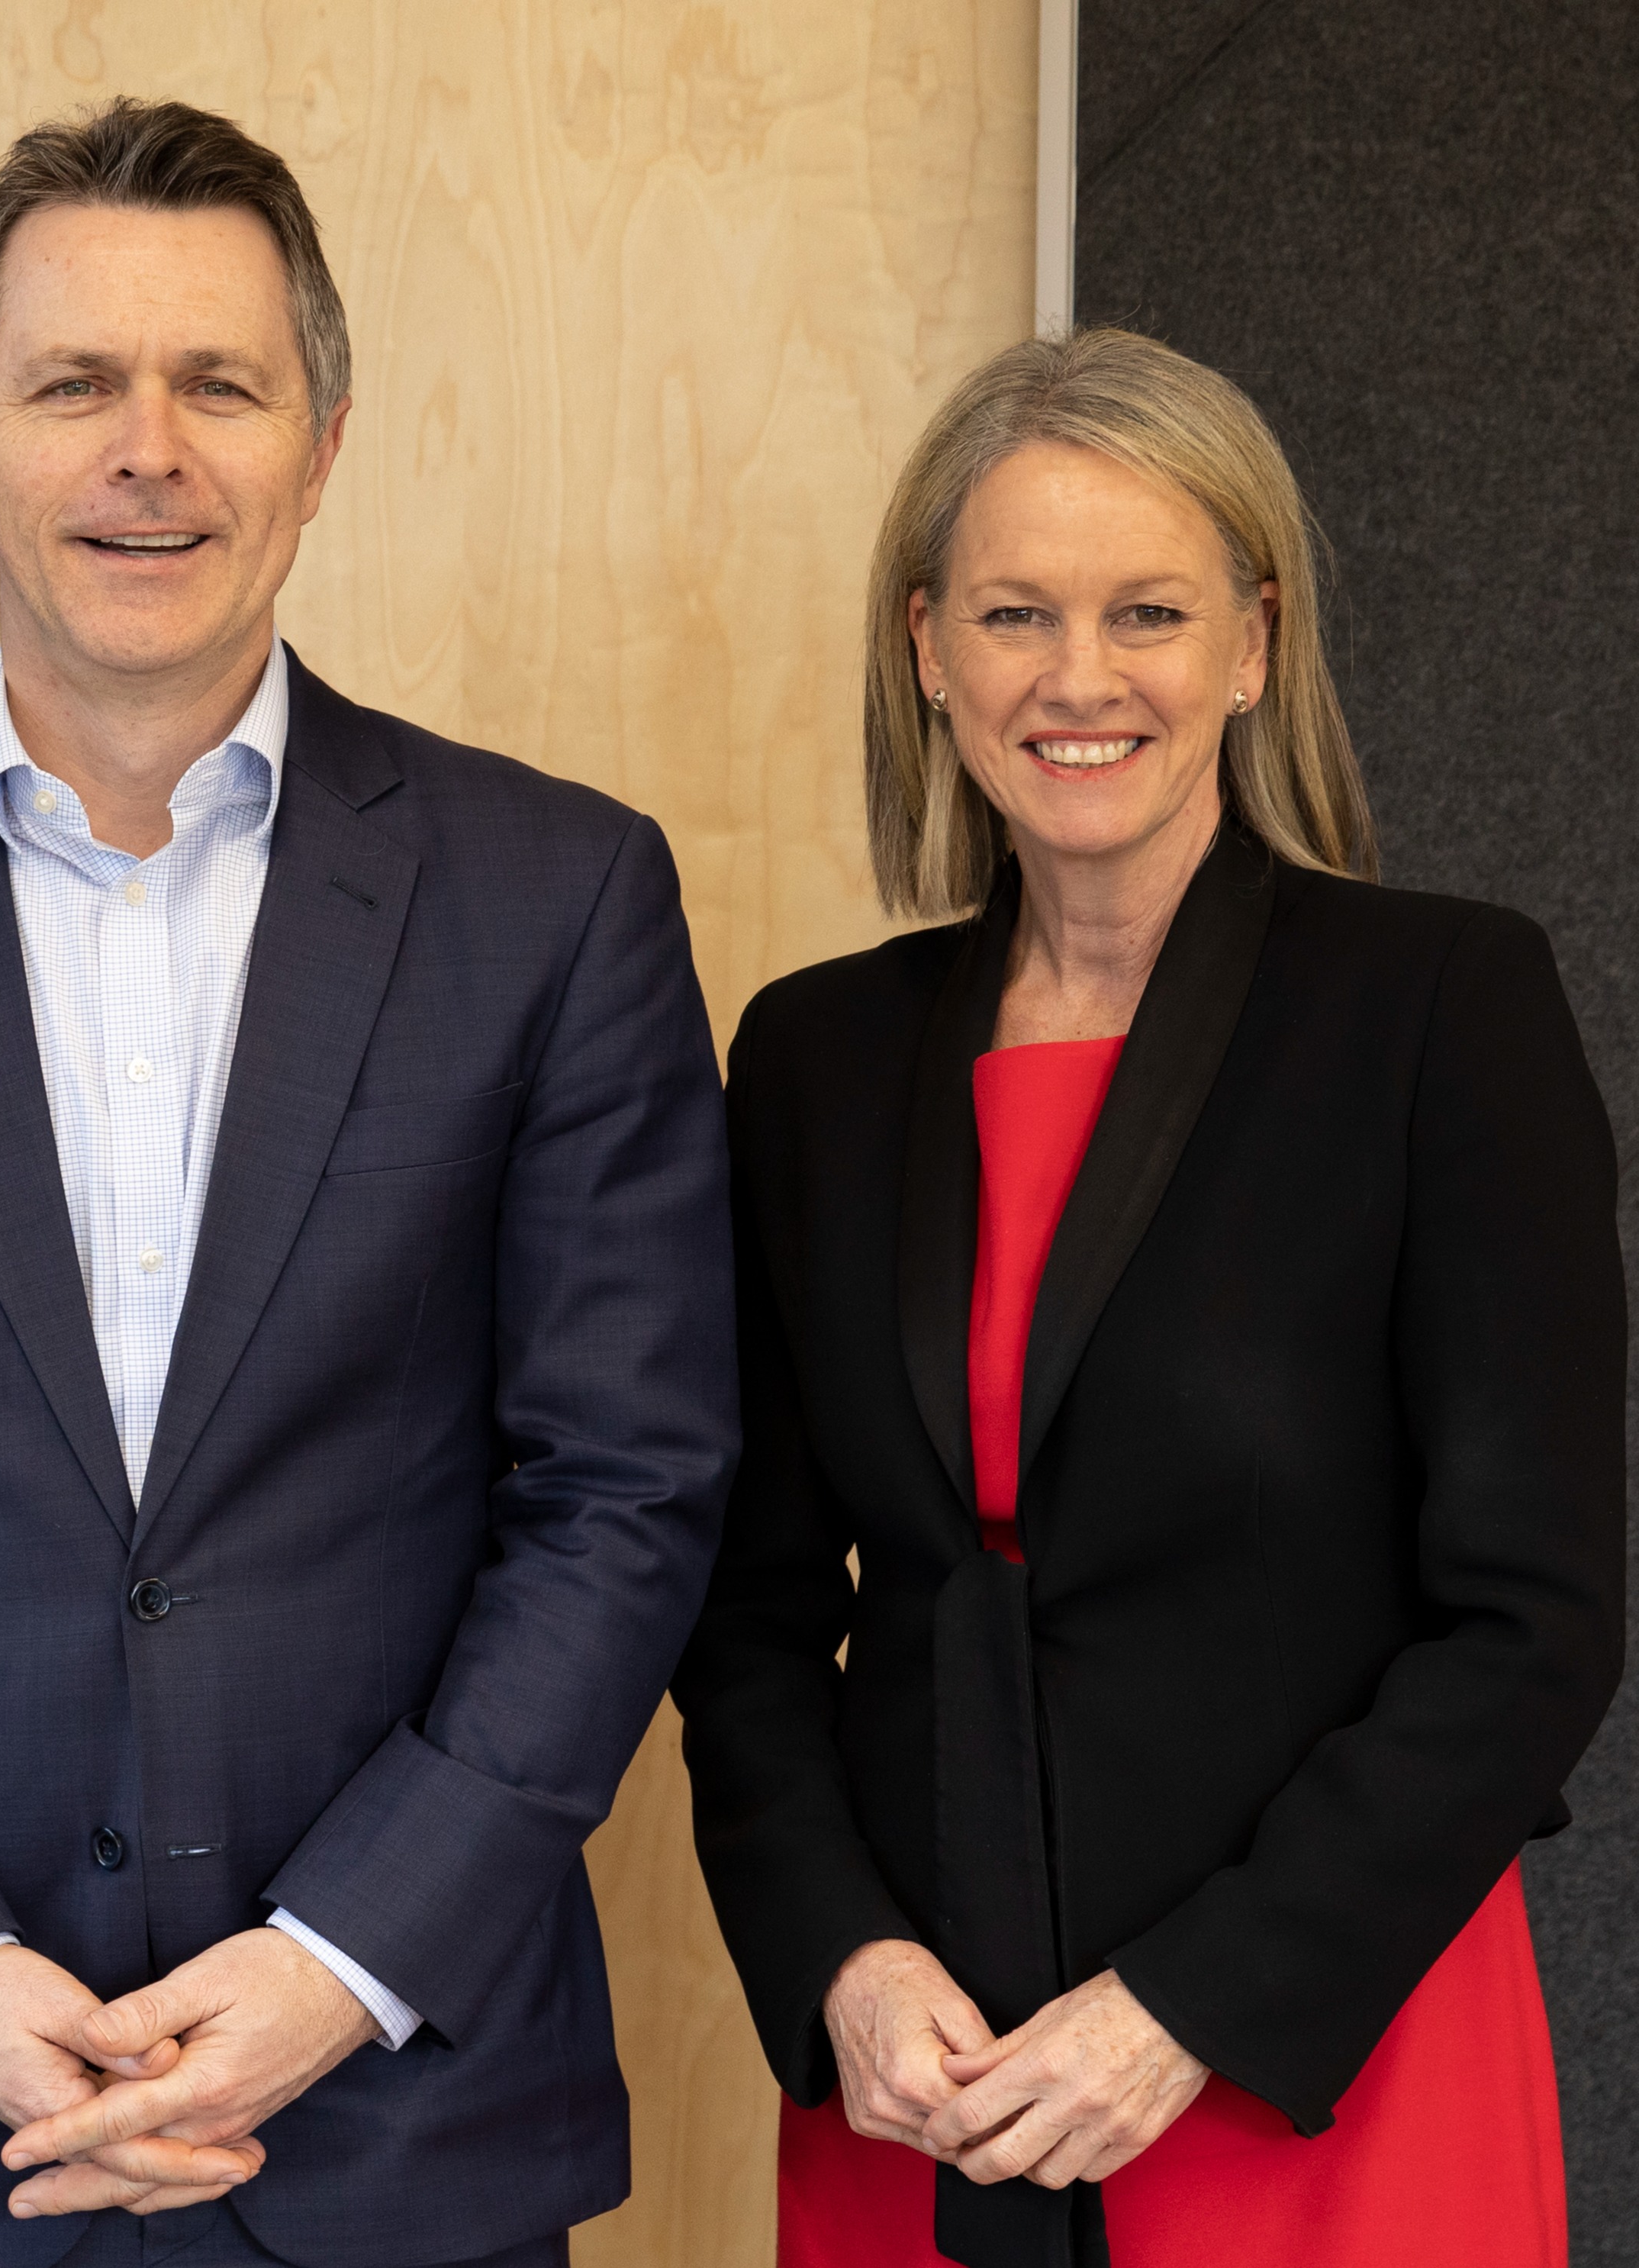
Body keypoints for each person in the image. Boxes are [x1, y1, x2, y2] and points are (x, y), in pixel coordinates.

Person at [0, 98, 738, 2268]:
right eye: (72, 384)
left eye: (221, 382)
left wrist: (340, 1961)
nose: (151, 449)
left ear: (322, 437)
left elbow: (625, 1482)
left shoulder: (556, 894)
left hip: (403, 2121)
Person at [670, 329, 1622, 2268]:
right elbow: (743, 1611)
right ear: (929, 647)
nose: (1079, 677)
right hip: (920, 2084)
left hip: (1308, 2061)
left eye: (1150, 611)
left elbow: (1532, 1623)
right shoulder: (816, 1059)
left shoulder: (1443, 1010)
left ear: (1255, 644)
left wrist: (1188, 2010)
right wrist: (841, 1958)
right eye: (1017, 611)